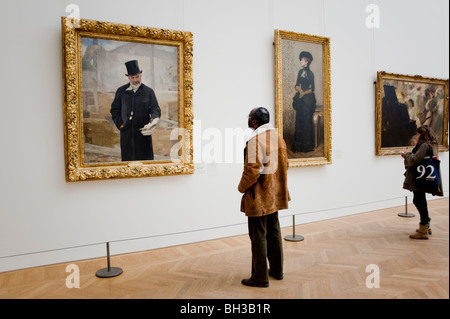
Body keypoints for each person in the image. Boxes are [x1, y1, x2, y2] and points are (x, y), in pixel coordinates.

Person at [238, 107, 291, 287]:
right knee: (274, 232)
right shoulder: (279, 138)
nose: (248, 120)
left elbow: (252, 171)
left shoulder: (255, 141)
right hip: (275, 195)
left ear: (254, 121)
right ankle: (277, 270)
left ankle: (260, 277)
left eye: (249, 117)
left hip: (259, 197)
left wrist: (241, 188)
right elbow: (286, 164)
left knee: (258, 235)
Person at [111, 60, 161, 161]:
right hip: (126, 135)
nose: (135, 80)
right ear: (128, 78)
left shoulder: (148, 91)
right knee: (128, 163)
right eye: (132, 77)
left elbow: (155, 109)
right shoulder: (121, 91)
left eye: (137, 77)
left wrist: (154, 121)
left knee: (145, 162)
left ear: (141, 75)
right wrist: (120, 124)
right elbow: (114, 110)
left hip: (143, 134)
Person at [401, 125, 442, 239]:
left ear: (421, 134)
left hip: (420, 178)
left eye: (418, 134)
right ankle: (425, 223)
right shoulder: (431, 144)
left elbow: (414, 159)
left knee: (419, 200)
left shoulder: (424, 145)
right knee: (420, 200)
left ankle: (424, 226)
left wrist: (407, 154)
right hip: (423, 177)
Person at [292, 51, 316, 153]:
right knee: (299, 120)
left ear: (307, 61)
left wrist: (304, 93)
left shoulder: (311, 74)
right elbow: (296, 85)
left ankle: (307, 146)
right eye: (301, 59)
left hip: (308, 99)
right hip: (300, 98)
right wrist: (299, 90)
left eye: (302, 60)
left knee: (306, 122)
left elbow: (312, 89)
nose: (301, 61)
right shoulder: (299, 72)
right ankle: (298, 146)